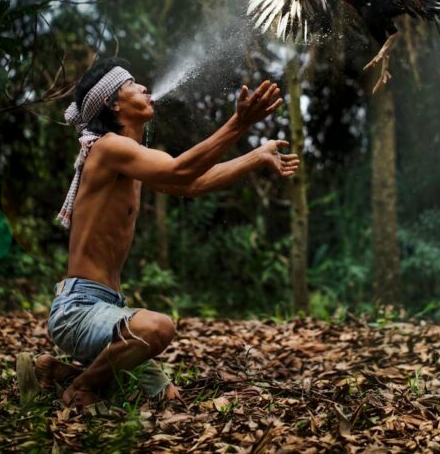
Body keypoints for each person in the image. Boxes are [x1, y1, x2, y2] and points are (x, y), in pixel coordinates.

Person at [31, 57, 299, 409]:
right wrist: (239, 122)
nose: (144, 87)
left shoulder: (130, 157)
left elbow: (192, 183)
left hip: (107, 309)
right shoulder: (109, 147)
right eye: (132, 85)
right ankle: (80, 387)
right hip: (78, 311)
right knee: (157, 329)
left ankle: (54, 372)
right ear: (113, 103)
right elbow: (179, 169)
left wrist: (257, 156)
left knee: (164, 396)